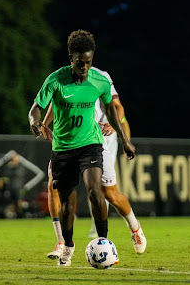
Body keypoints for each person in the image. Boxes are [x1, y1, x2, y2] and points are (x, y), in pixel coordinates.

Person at [28, 29, 135, 267]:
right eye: (80, 62)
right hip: (64, 147)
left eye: (88, 62)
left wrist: (125, 140)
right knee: (67, 203)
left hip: (91, 144)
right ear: (71, 58)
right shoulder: (56, 80)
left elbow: (111, 110)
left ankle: (104, 243)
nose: (84, 67)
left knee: (96, 192)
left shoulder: (100, 80)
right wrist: (36, 123)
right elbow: (35, 108)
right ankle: (68, 245)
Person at [41, 67, 146, 260]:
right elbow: (57, 102)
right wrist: (44, 123)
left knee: (109, 194)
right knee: (53, 186)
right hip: (70, 140)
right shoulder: (64, 77)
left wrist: (117, 124)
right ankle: (62, 242)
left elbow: (117, 106)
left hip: (99, 140)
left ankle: (135, 228)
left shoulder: (101, 77)